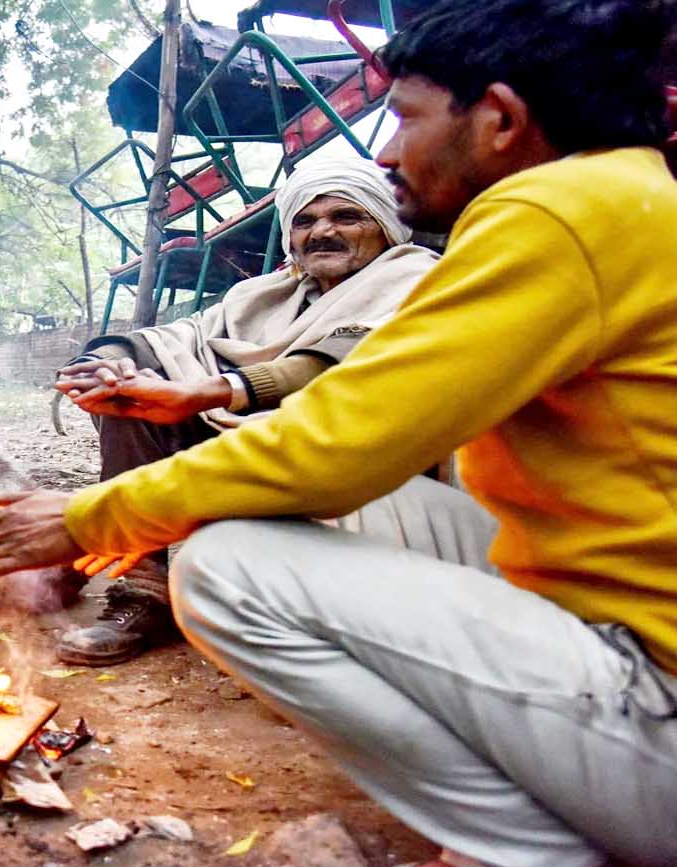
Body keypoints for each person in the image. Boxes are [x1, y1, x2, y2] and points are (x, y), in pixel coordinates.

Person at [0, 0, 677, 867]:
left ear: (503, 120)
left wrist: (92, 515)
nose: (388, 152)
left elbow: (342, 429)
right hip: (590, 596)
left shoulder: (550, 214)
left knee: (229, 565)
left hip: (653, 700)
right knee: (316, 501)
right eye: (308, 220)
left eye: (403, 118)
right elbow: (210, 351)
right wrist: (131, 367)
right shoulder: (627, 196)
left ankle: (520, 858)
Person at [52, 158, 438, 666]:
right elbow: (177, 337)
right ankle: (142, 588)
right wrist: (105, 364)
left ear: (385, 227)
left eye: (347, 217)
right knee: (133, 394)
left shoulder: (417, 278)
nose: (322, 231)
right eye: (305, 220)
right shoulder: (263, 294)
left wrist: (216, 391)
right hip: (247, 439)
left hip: (348, 466)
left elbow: (345, 363)